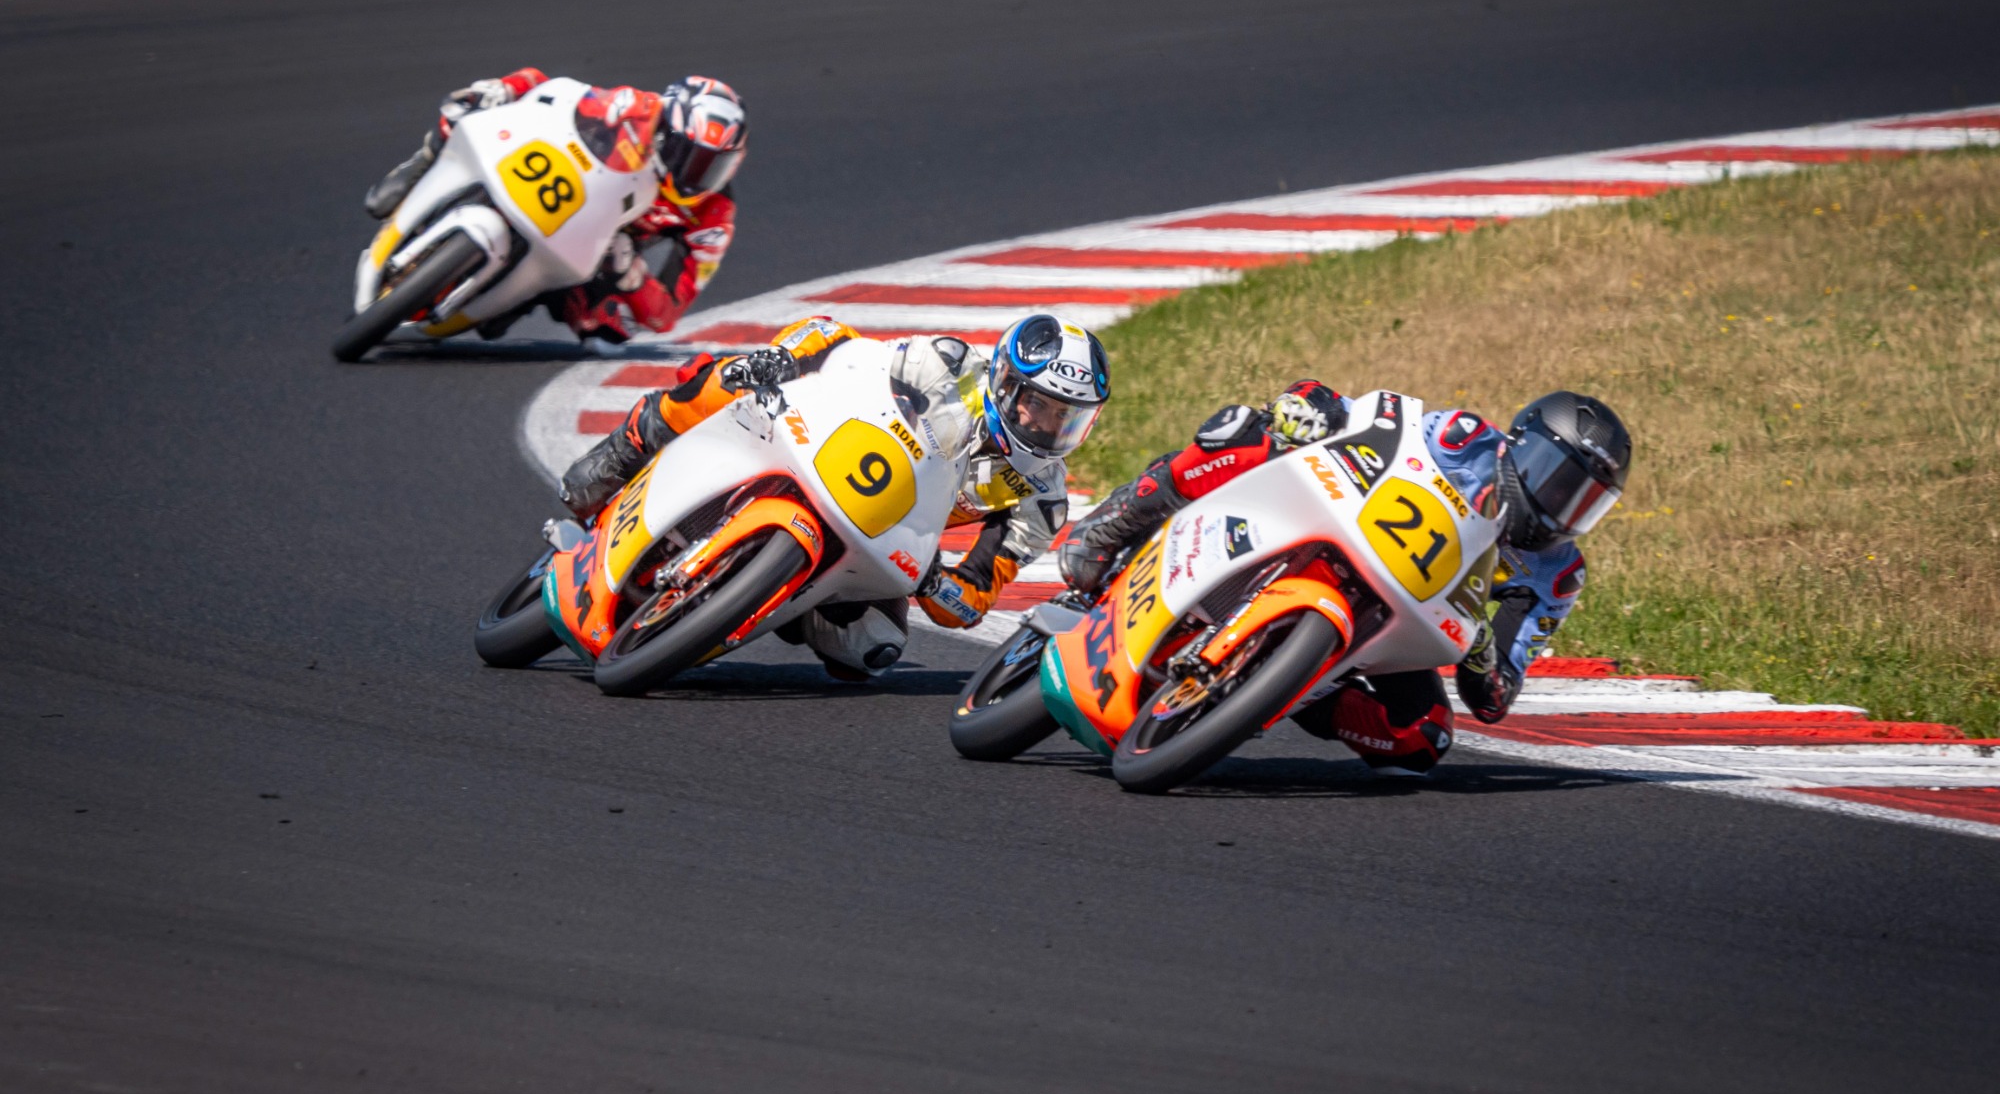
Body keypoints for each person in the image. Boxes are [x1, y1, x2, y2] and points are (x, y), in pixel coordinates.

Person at [1059, 387, 1631, 775]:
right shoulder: (1465, 437)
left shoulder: (1558, 576)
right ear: (1521, 446)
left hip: (1398, 615)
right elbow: (1377, 420)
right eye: (1557, 482)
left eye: (1584, 502)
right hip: (1345, 525)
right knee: (1247, 432)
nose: (1560, 507)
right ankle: (1117, 524)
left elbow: (1495, 697)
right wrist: (1315, 406)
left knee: (1424, 737)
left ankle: (1295, 687)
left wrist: (1481, 648)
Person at [558, 312, 1112, 679]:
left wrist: (937, 584)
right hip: (823, 447)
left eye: (1068, 418)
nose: (1046, 425)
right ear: (1006, 381)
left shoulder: (1042, 499)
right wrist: (783, 359)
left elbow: (978, 594)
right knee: (728, 378)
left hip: (879, 535)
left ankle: (776, 601)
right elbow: (841, 343)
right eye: (1038, 404)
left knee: (872, 650)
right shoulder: (945, 362)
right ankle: (630, 445)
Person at [364, 68, 747, 342]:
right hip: (560, 181)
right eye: (690, 155)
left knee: (608, 327)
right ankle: (420, 163)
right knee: (472, 104)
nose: (697, 173)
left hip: (596, 252)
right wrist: (506, 88)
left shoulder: (714, 215)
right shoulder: (635, 108)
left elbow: (668, 313)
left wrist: (632, 276)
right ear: (668, 131)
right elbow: (555, 90)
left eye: (714, 165)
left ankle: (520, 293)